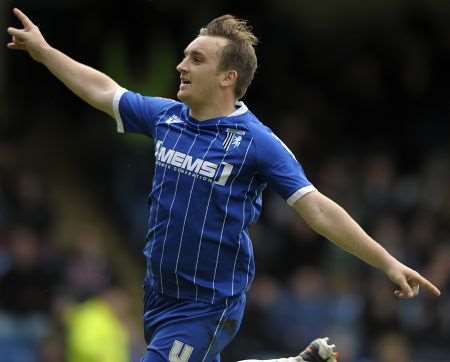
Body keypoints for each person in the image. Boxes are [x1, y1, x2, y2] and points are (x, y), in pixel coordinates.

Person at [7, 8, 441, 362]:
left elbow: (318, 207)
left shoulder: (257, 142)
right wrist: (45, 52)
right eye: (184, 56)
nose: (180, 65)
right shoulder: (166, 118)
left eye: (196, 59)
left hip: (207, 302)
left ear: (227, 77)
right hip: (159, 293)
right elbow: (104, 90)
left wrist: (386, 261)